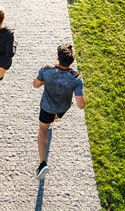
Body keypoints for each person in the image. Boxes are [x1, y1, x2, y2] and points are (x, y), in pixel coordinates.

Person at [33, 43, 85, 180]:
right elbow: (80, 105)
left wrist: (46, 80)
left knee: (42, 130)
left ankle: (42, 164)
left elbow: (35, 85)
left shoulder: (46, 70)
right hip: (62, 108)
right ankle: (52, 120)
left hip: (46, 107)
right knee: (54, 118)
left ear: (57, 58)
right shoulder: (76, 78)